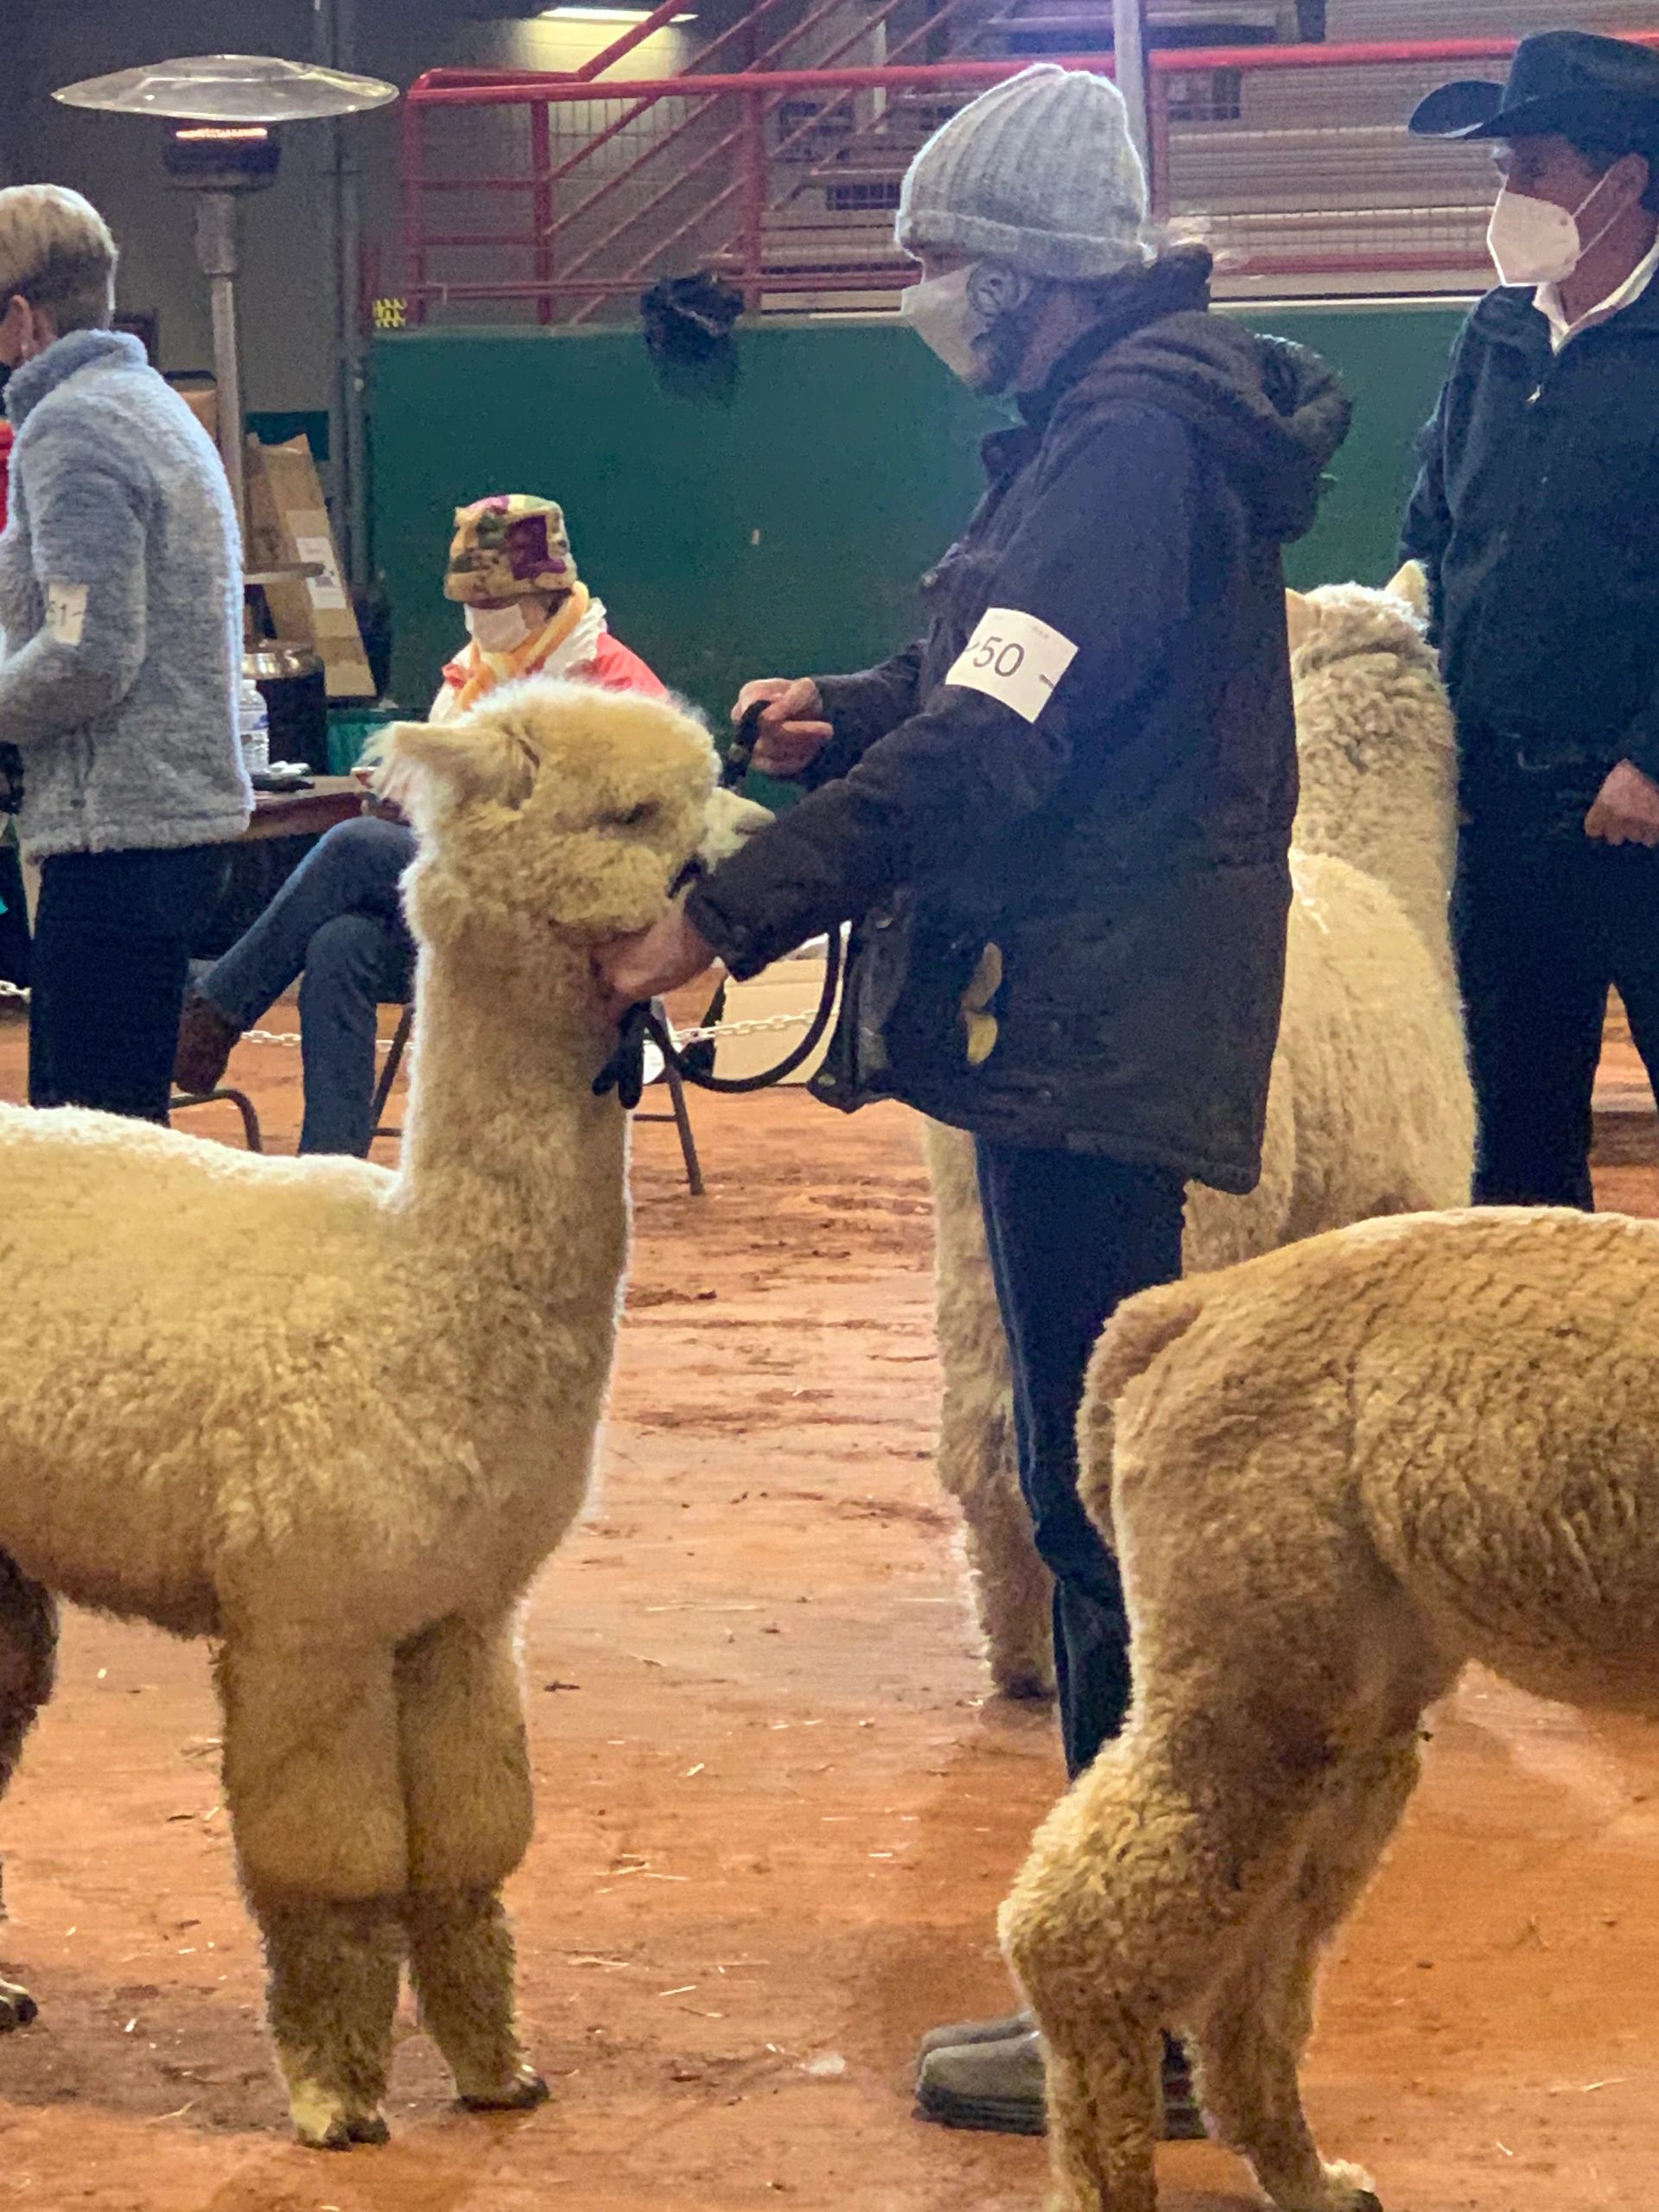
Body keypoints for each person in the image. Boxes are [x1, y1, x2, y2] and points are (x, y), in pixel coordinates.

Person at [594, 63, 1350, 2133]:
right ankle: (1157, 1959)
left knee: (1102, 1503)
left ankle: (1146, 1994)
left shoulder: (1120, 442)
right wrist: (856, 696)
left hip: (1091, 1015)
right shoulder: (1125, 429)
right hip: (1092, 998)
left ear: (1026, 272)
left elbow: (999, 754)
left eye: (941, 259)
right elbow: (1019, 677)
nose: (924, 289)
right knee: (1092, 1478)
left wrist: (725, 912)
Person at [174, 493, 666, 1154]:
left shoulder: (617, 689)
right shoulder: (473, 675)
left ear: (546, 593)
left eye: (494, 604)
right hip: (463, 901)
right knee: (338, 947)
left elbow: (632, 847)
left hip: (558, 923)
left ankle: (216, 1009)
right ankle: (332, 1168)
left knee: (353, 847)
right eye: (472, 604)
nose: (480, 618)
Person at [1402, 29, 1659, 1211]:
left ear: (1626, 180)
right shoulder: (1494, 335)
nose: (1509, 197)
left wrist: (1651, 758)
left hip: (1641, 807)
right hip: (1503, 802)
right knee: (1510, 1129)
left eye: (1533, 168)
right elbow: (1435, 534)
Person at [0, 184, 250, 1122]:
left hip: (117, 839)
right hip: (161, 830)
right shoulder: (148, 403)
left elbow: (87, 654)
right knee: (115, 1155)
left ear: (24, 317)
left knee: (90, 1161)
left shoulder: (70, 426)